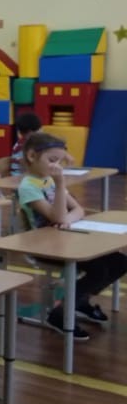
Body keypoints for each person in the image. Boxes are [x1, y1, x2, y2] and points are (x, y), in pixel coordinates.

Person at [18, 132, 127, 341]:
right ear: (32, 156)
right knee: (99, 269)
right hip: (44, 247)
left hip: (65, 239)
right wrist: (60, 187)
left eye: (60, 161)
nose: (57, 166)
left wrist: (66, 219)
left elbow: (79, 210)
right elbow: (57, 216)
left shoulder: (48, 180)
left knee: (120, 261)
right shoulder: (28, 187)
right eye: (52, 160)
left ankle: (79, 300)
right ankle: (60, 314)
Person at [9, 112, 42, 176]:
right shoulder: (22, 146)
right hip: (19, 176)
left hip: (29, 174)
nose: (41, 132)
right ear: (30, 132)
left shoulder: (32, 143)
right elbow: (24, 166)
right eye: (39, 130)